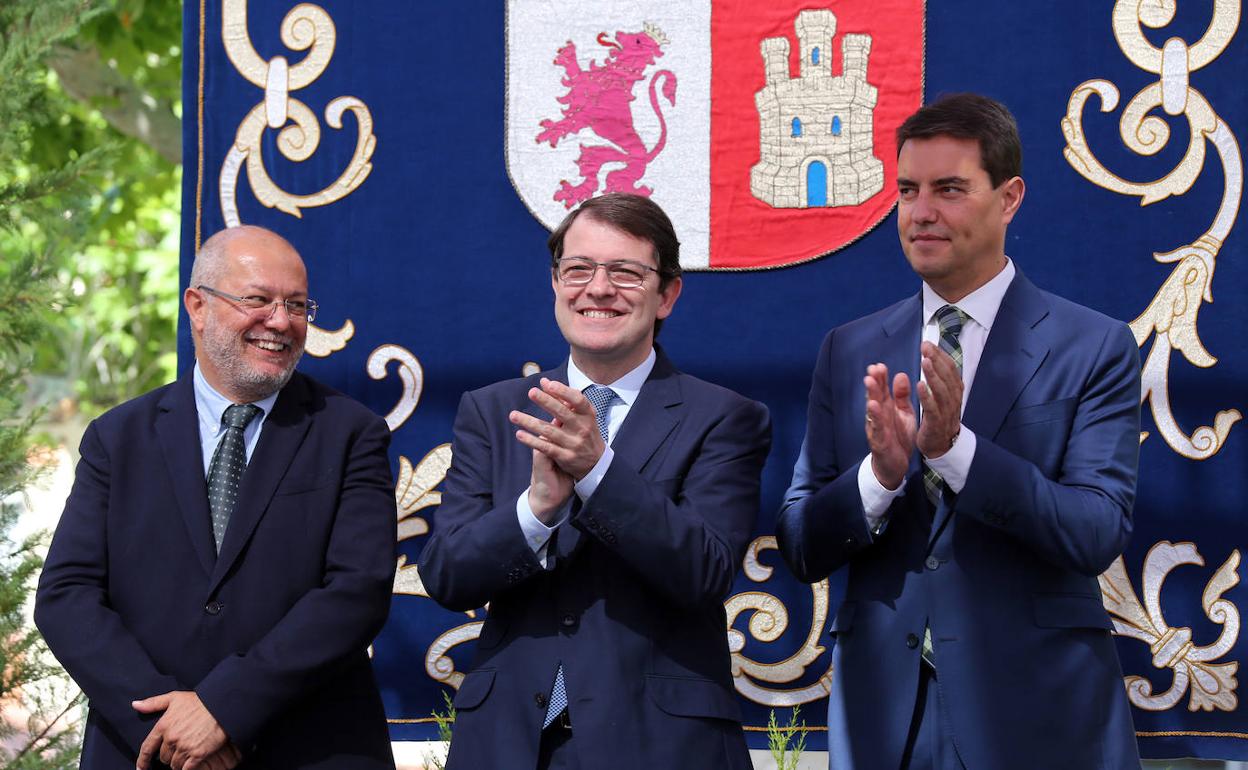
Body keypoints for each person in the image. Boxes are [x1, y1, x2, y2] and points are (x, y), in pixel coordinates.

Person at [776, 94, 1141, 769]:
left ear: (1009, 198)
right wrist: (878, 480)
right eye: (908, 190)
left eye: (949, 189)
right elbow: (800, 546)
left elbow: (1094, 532)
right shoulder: (850, 348)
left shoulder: (1093, 345)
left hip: (1040, 716)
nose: (921, 213)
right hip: (887, 721)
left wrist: (956, 452)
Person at [418, 193, 771, 770]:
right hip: (508, 742)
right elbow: (446, 575)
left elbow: (704, 571)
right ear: (556, 283)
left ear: (667, 295)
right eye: (578, 269)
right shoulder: (493, 410)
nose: (598, 289)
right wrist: (535, 512)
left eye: (625, 273)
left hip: (659, 742)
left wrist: (598, 472)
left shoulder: (725, 416)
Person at [36, 226, 398, 770]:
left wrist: (224, 709)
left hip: (311, 748)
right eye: (258, 300)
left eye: (297, 305)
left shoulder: (351, 433)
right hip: (148, 750)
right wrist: (168, 728)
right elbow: (67, 595)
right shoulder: (118, 438)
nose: (280, 322)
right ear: (198, 306)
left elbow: (357, 592)